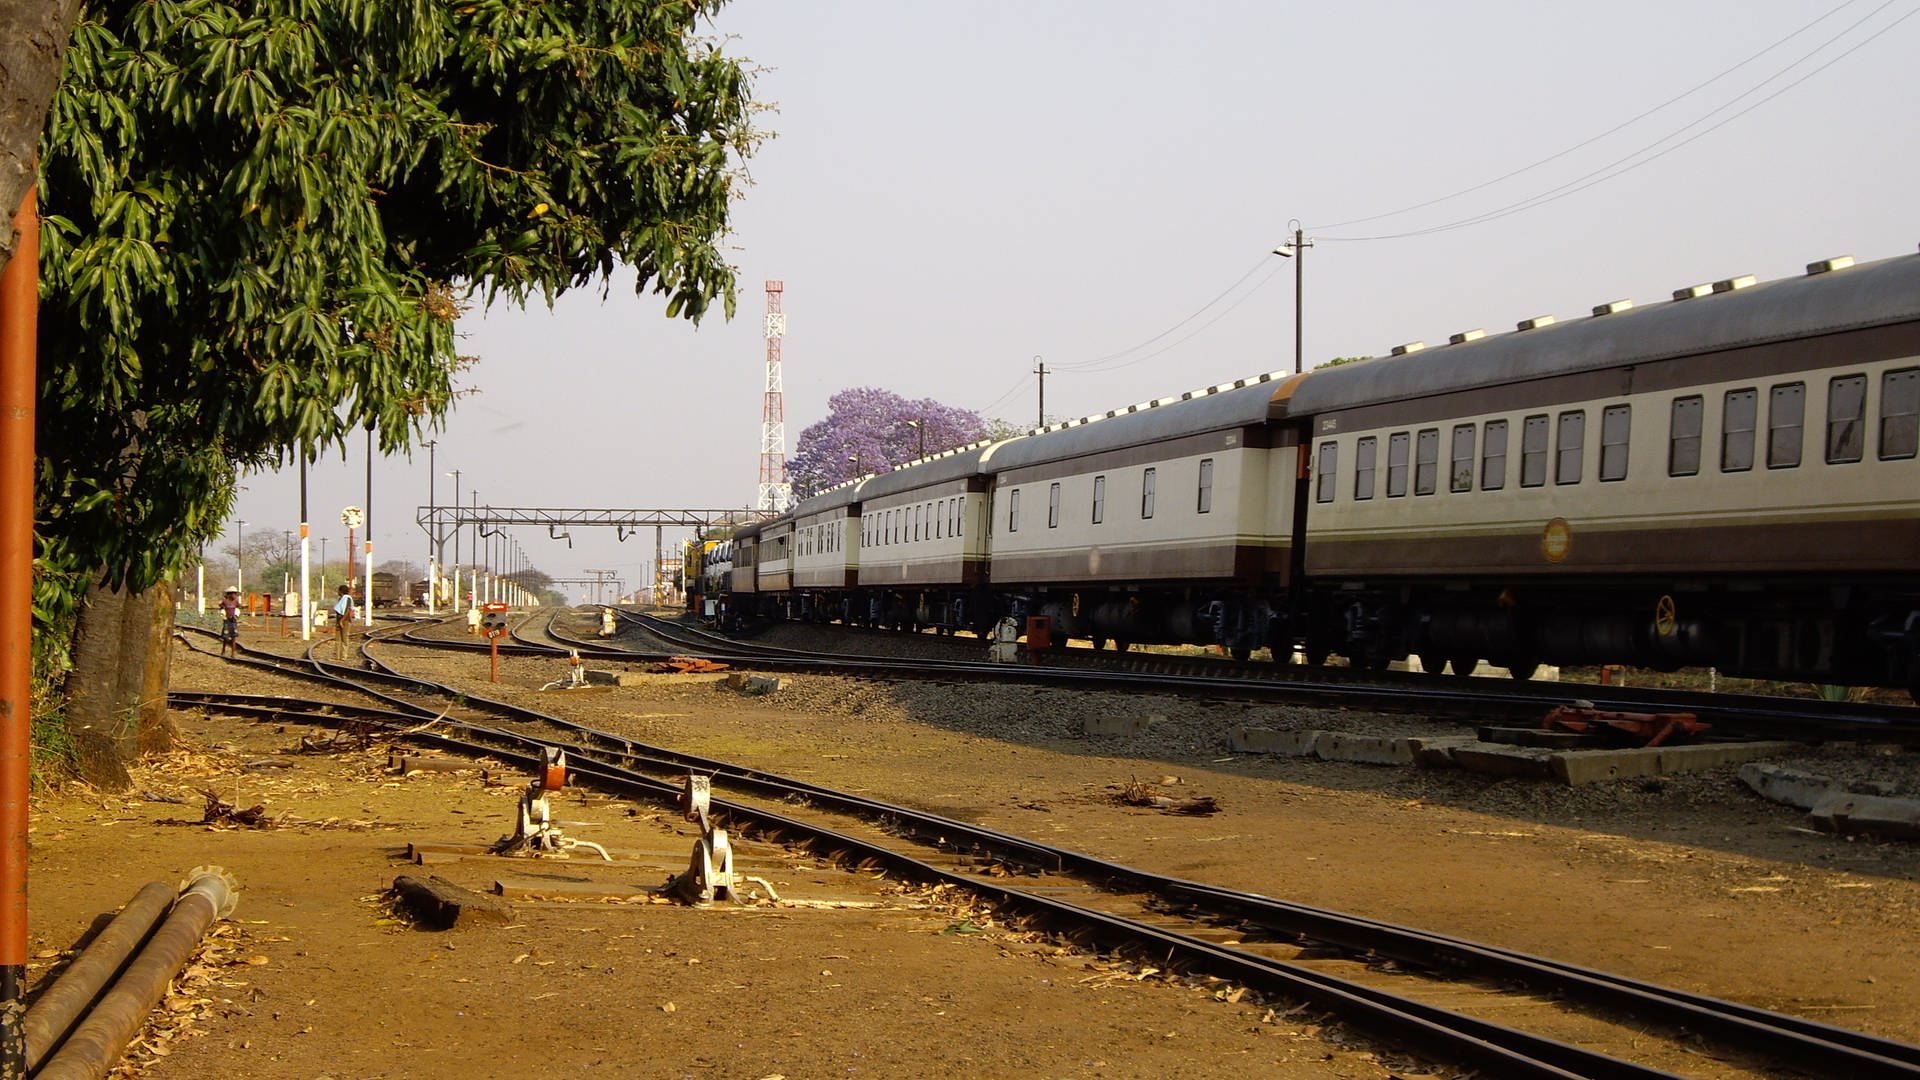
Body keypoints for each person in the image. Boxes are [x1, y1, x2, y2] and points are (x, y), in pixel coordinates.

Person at [331, 584, 357, 660]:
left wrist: (341, 621)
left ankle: (343, 656)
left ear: (341, 591)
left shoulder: (347, 598)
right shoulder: (341, 599)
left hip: (345, 621)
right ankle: (336, 656)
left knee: (344, 638)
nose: (337, 592)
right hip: (339, 620)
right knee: (337, 639)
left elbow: (348, 610)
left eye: (338, 590)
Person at [218, 586, 241, 658]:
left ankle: (233, 653)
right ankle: (223, 650)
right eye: (234, 594)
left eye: (235, 594)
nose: (235, 595)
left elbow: (239, 607)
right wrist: (224, 615)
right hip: (227, 621)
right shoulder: (225, 601)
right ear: (229, 594)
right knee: (226, 637)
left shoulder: (236, 601)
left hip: (233, 621)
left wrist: (236, 615)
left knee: (234, 637)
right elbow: (221, 607)